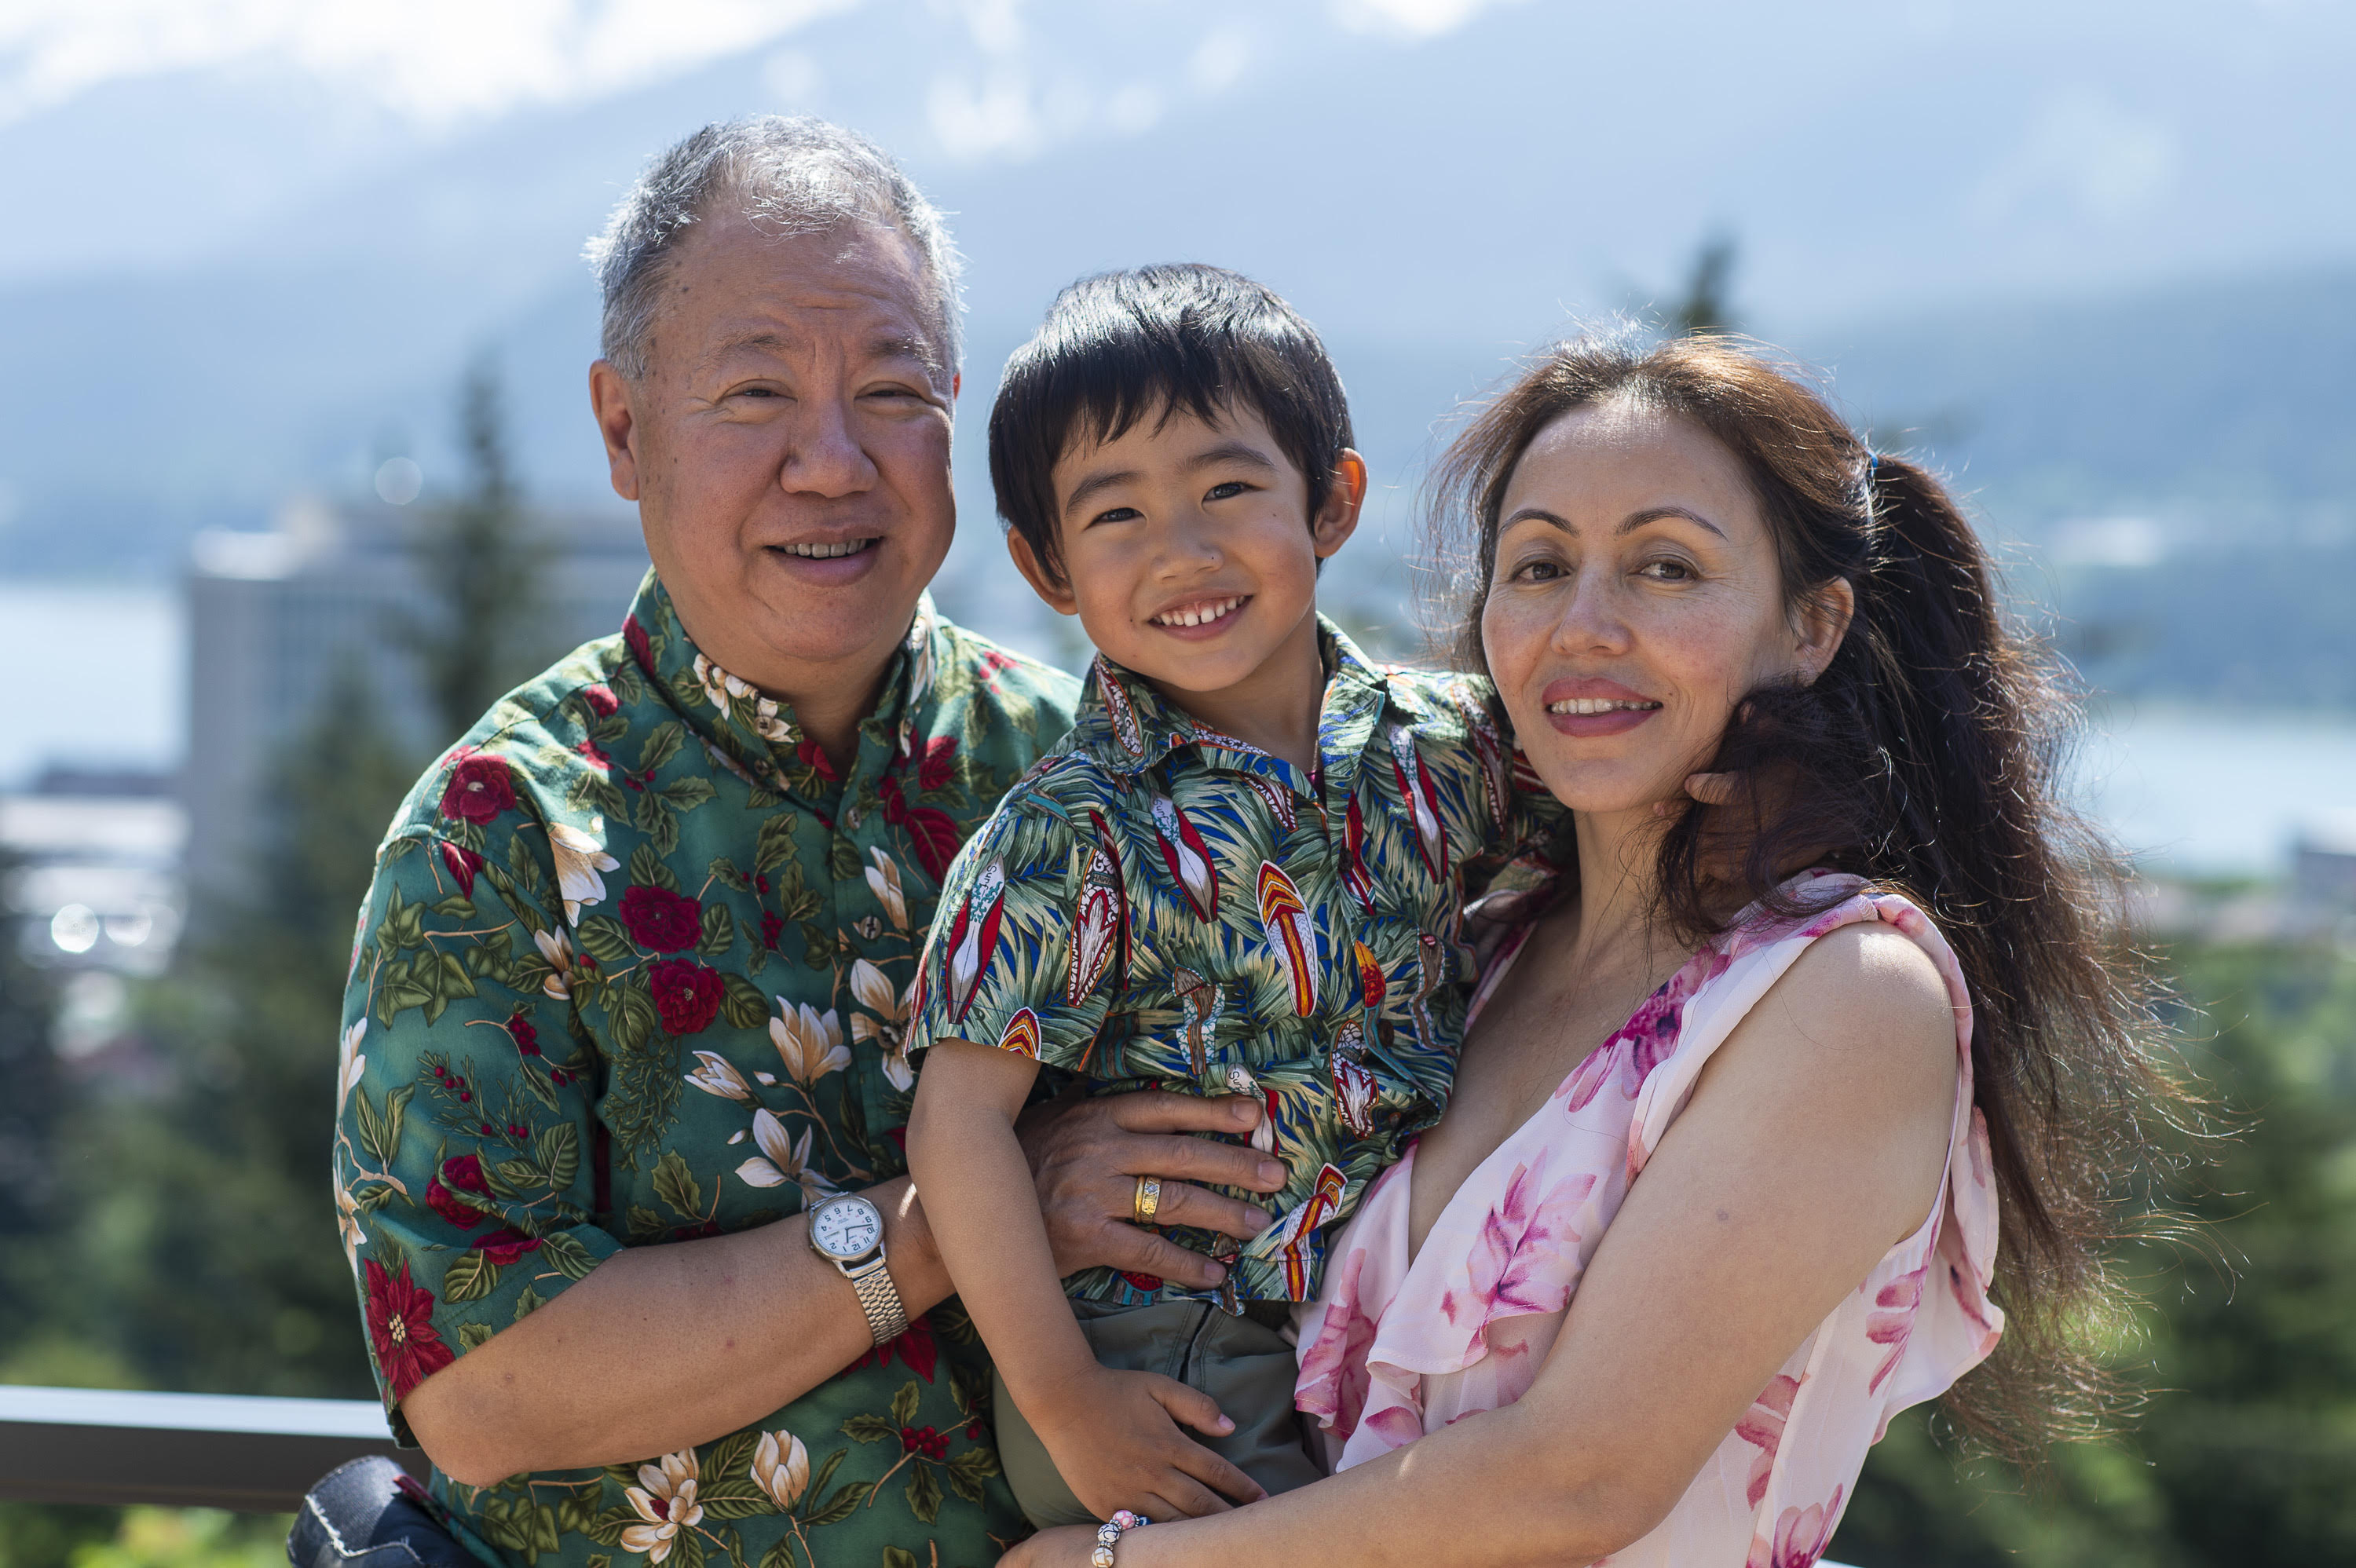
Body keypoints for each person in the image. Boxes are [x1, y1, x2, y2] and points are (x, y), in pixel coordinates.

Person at [1004, 334, 2180, 1567]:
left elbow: (1578, 1479)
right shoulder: (1472, 946)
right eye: (1540, 565)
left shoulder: (1843, 990)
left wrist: (1110, 1565)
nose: (1584, 626)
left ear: (1812, 624)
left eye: (1667, 568)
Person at [324, 119, 1287, 1568]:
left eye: (893, 390)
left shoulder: (1108, 771)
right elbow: (480, 1389)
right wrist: (971, 1217)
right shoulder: (502, 834)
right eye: (757, 391)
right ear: (623, 428)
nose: (831, 464)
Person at [902, 265, 1560, 1530]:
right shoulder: (1071, 829)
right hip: (1171, 1348)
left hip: (1389, 1292)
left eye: (1226, 488)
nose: (1182, 551)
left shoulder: (1453, 746)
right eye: (1117, 517)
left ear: (1332, 502)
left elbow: (1615, 848)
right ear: (1047, 569)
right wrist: (1066, 1399)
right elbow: (957, 1130)